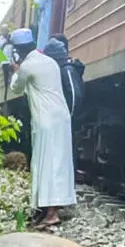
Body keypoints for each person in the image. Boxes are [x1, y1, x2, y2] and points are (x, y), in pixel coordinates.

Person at [7, 27, 77, 229]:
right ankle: (49, 209)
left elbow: (16, 88)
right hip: (61, 118)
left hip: (45, 120)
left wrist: (15, 71)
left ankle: (51, 213)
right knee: (57, 162)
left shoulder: (28, 66)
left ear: (18, 51)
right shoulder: (50, 61)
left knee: (46, 164)